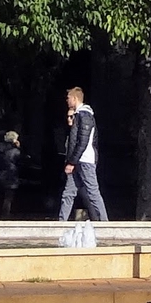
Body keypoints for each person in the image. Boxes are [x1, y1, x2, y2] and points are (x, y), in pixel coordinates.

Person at [55, 87, 107, 222]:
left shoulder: (85, 116)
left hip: (84, 160)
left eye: (68, 98)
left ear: (75, 98)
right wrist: (71, 123)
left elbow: (82, 141)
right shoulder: (79, 116)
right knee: (69, 193)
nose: (67, 100)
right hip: (78, 160)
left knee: (92, 192)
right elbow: (75, 139)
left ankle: (105, 223)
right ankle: (61, 222)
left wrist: (72, 162)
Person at [0, 130, 22, 219]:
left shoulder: (0, 150)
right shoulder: (15, 152)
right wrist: (19, 147)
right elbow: (21, 160)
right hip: (11, 176)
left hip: (1, 175)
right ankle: (5, 216)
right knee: (8, 198)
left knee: (0, 197)